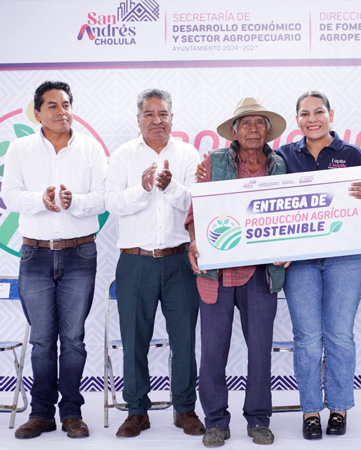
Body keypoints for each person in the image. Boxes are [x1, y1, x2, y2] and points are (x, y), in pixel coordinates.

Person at [3, 81, 107, 439]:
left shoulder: (90, 148)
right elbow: (10, 194)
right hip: (35, 253)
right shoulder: (20, 149)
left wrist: (73, 202)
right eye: (52, 106)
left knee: (74, 339)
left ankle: (72, 413)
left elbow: (102, 198)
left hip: (80, 252)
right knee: (43, 340)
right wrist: (41, 200)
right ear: (37, 113)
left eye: (66, 104)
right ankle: (41, 413)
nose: (61, 111)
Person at [275, 91, 361, 440]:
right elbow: (268, 200)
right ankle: (309, 411)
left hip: (346, 257)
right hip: (300, 260)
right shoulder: (284, 155)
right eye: (305, 113)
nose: (312, 119)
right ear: (297, 120)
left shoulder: (351, 154)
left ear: (331, 114)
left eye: (318, 112)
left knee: (339, 335)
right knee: (306, 338)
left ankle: (338, 408)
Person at [186, 97, 287, 447]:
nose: (253, 129)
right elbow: (194, 212)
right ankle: (215, 420)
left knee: (260, 349)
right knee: (213, 351)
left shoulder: (279, 165)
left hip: (260, 273)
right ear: (234, 131)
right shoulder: (212, 162)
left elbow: (287, 216)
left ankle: (258, 419)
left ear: (269, 131)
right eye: (246, 122)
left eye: (260, 122)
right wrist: (194, 241)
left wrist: (289, 248)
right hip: (216, 273)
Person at [105, 89, 203, 438]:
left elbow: (197, 202)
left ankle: (185, 409)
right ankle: (136, 411)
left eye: (163, 114)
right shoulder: (123, 156)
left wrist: (171, 186)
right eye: (149, 114)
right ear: (139, 119)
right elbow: (111, 202)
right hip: (136, 262)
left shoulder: (188, 155)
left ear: (172, 118)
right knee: (134, 340)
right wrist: (143, 188)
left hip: (179, 261)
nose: (157, 120)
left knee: (184, 339)